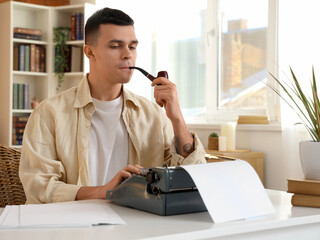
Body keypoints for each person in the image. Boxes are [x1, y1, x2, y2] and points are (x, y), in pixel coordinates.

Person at [19, 7, 206, 204]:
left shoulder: (154, 115)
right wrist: (103, 191)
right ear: (90, 52)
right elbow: (39, 186)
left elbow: (195, 179)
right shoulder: (49, 113)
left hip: (138, 226)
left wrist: (176, 118)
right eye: (116, 46)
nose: (127, 55)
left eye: (132, 47)